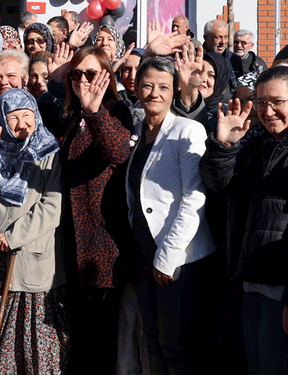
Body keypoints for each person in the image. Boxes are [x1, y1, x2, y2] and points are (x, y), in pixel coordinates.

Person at [128, 56, 217, 375]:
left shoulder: (187, 131)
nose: (154, 92)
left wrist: (168, 257)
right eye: (148, 85)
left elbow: (193, 198)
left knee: (174, 346)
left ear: (174, 90)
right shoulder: (136, 131)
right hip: (143, 252)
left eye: (163, 86)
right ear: (136, 88)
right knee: (152, 340)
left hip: (178, 258)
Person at [0, 88, 68, 374]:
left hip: (30, 255)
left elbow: (53, 206)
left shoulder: (49, 151)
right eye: (13, 118)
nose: (23, 124)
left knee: (34, 337)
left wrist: (13, 237)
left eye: (28, 116)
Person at [200, 66, 288, 375]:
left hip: (281, 287)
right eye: (261, 102)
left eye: (277, 102)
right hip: (250, 281)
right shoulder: (256, 145)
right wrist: (225, 146)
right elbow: (217, 185)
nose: (268, 111)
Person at [59, 46, 134, 374]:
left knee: (101, 338)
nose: (83, 81)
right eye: (76, 74)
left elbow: (117, 152)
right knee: (80, 336)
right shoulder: (71, 116)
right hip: (73, 245)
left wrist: (94, 111)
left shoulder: (116, 111)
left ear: (106, 75)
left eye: (91, 73)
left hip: (104, 245)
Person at [203, 19, 238, 97]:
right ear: (206, 38)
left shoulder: (234, 59)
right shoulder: (196, 58)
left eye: (225, 37)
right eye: (218, 37)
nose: (223, 42)